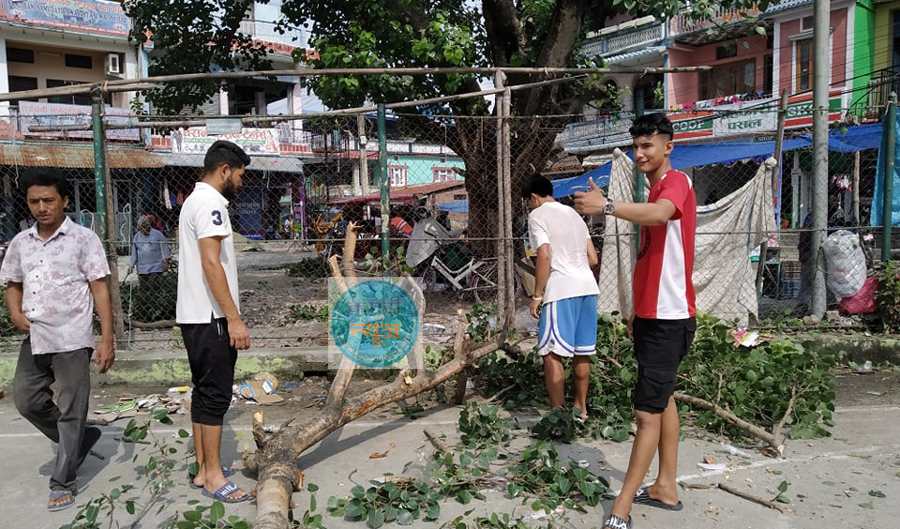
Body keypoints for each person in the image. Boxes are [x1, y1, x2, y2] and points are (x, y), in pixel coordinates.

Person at [574, 113, 697, 529]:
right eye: (636, 146)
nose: (640, 153)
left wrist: (606, 206)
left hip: (670, 318)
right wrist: (635, 312)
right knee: (664, 399)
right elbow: (651, 256)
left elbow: (661, 215)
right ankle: (664, 486)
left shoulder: (675, 182)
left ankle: (621, 509)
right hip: (651, 315)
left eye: (648, 145)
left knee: (646, 412)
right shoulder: (651, 190)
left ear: (668, 147)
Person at [0, 170, 115, 511]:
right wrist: (14, 312)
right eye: (34, 201)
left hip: (72, 338)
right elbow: (13, 283)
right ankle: (81, 438)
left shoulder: (83, 239)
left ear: (64, 201)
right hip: (36, 335)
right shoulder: (21, 242)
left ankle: (63, 479)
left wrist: (105, 339)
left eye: (48, 200)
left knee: (70, 411)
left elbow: (100, 289)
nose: (41, 207)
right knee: (26, 400)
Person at [176, 140, 252, 503]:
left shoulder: (194, 201)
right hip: (211, 317)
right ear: (224, 170)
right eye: (239, 175)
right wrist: (234, 318)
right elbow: (211, 264)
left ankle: (203, 468)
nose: (240, 182)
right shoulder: (210, 204)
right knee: (216, 395)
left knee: (204, 392)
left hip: (195, 315)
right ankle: (213, 475)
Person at [523, 174, 600, 422]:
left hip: (562, 290)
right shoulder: (573, 214)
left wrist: (536, 295)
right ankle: (580, 410)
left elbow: (544, 254)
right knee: (582, 352)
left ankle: (558, 415)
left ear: (533, 198)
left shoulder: (537, 215)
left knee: (551, 352)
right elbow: (593, 259)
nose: (528, 207)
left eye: (527, 202)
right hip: (587, 287)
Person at [129, 215, 171, 289]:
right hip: (142, 268)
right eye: (141, 228)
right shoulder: (137, 236)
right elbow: (134, 253)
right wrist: (131, 265)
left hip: (155, 267)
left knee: (153, 287)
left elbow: (165, 247)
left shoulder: (157, 234)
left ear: (148, 226)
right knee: (144, 289)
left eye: (144, 227)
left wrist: (166, 261)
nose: (143, 230)